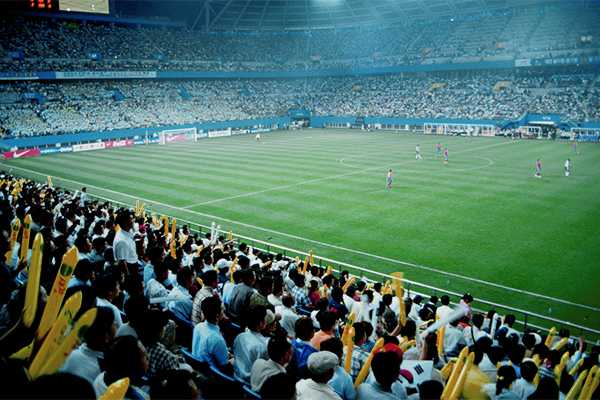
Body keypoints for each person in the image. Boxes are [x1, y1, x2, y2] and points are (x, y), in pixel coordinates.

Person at [61, 307, 115, 384]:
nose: (115, 326)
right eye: (113, 323)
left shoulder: (69, 354)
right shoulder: (104, 372)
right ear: (107, 335)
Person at [191, 296, 230, 371]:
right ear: (217, 316)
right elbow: (225, 366)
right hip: (212, 374)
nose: (223, 312)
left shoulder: (198, 326)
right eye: (222, 310)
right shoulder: (217, 339)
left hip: (199, 366)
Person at [233, 305, 269, 382]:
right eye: (265, 319)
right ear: (260, 323)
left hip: (236, 375)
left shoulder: (239, 337)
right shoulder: (262, 346)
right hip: (250, 381)